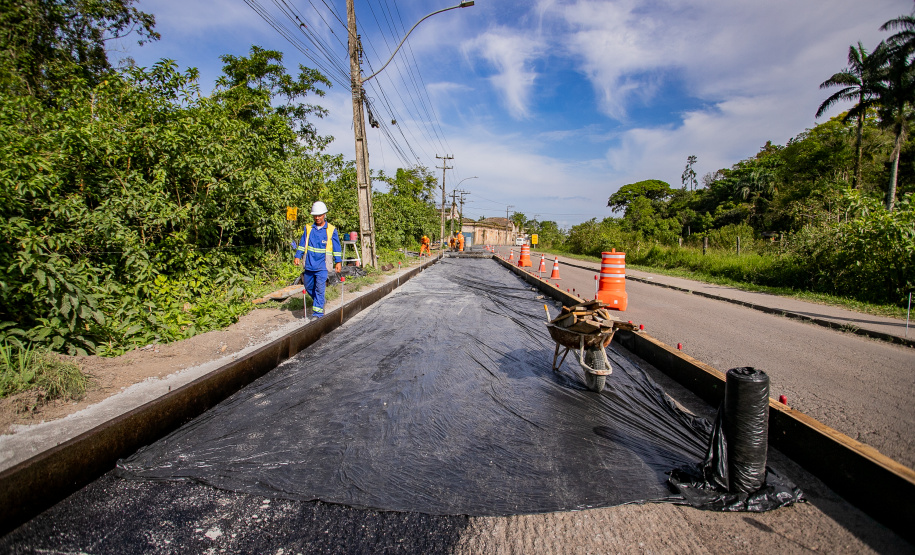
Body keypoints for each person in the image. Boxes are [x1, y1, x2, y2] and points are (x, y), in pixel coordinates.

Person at [294, 201, 342, 318]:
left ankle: (318, 314)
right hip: (309, 264)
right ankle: (320, 302)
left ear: (324, 215)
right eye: (315, 215)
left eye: (319, 215)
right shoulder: (309, 229)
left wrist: (338, 262)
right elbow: (302, 244)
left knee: (320, 289)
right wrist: (297, 255)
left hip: (322, 266)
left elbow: (336, 247)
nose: (317, 217)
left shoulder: (331, 230)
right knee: (309, 287)